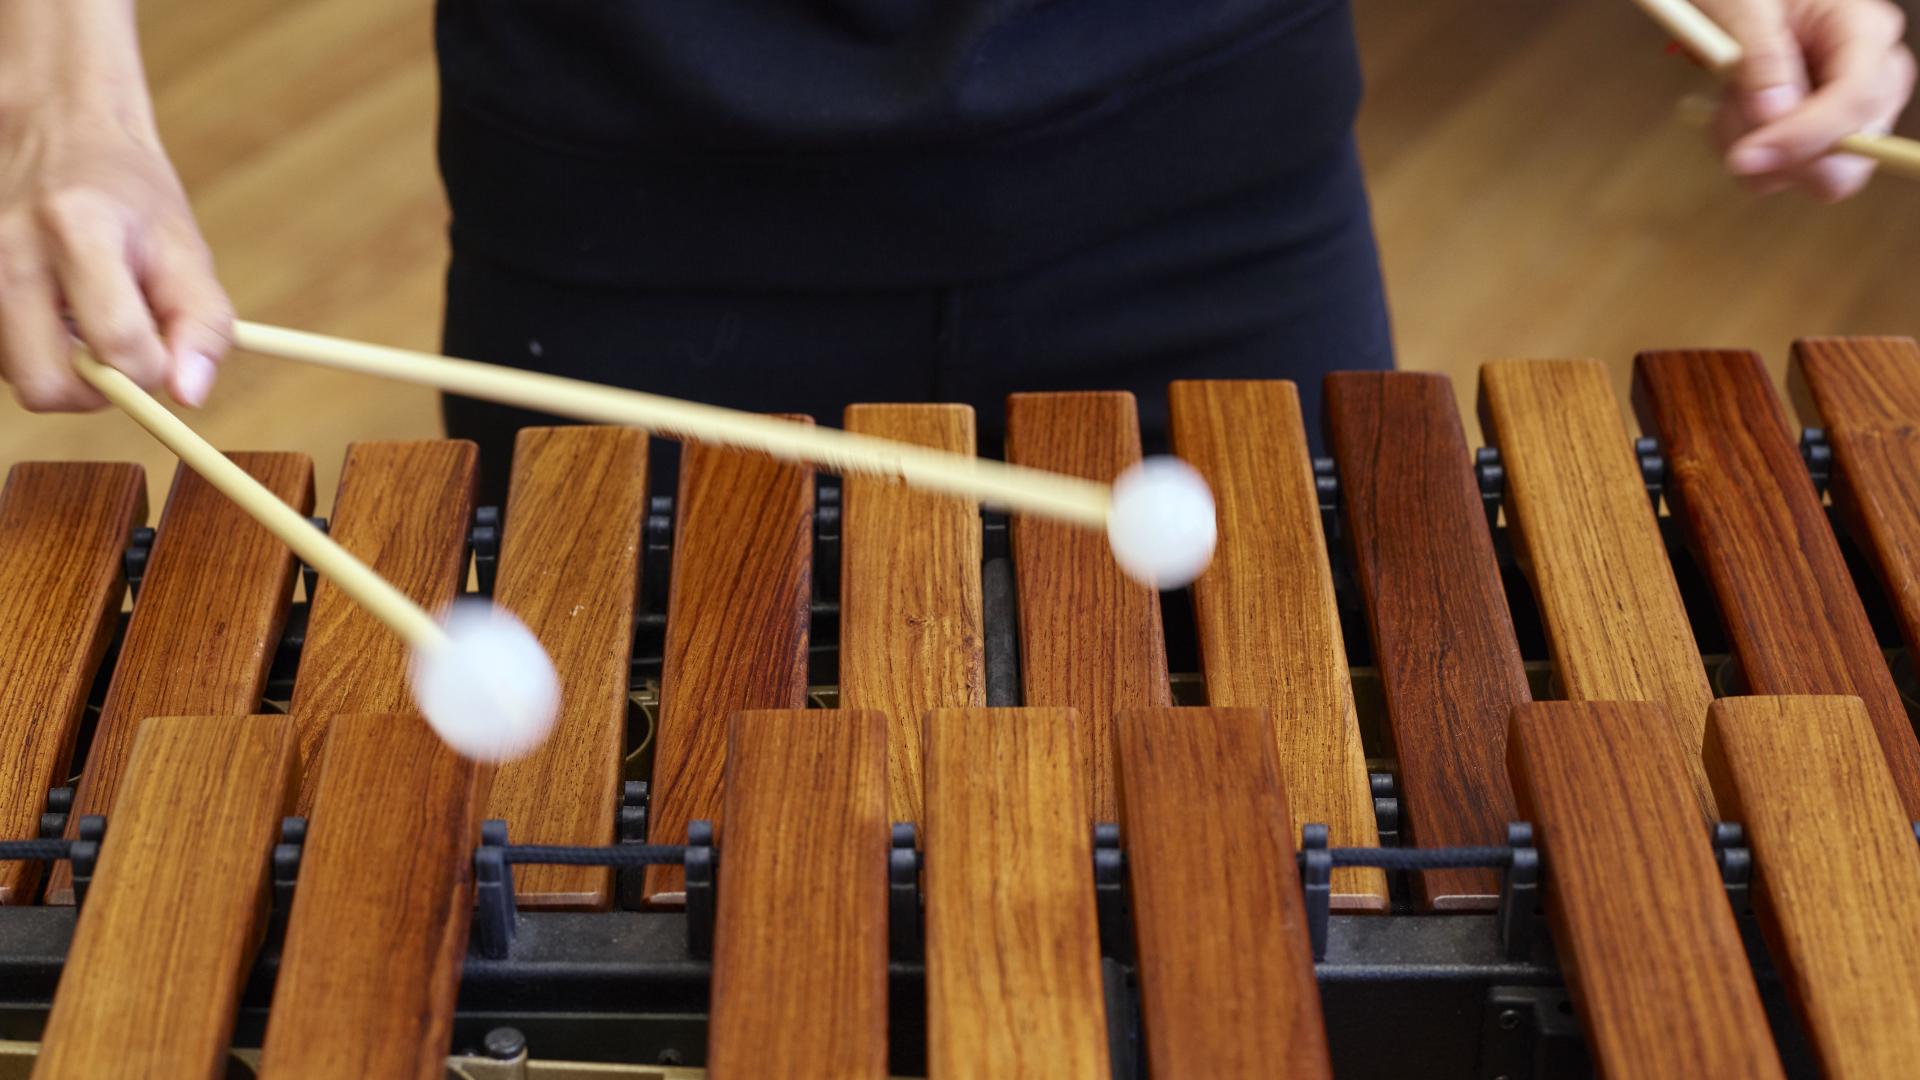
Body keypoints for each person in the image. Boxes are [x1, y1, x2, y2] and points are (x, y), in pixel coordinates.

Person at [1, 0, 1912, 503]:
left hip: (1219, 181)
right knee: (642, 926)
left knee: (1289, 905)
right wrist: (62, 83)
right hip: (630, 212)